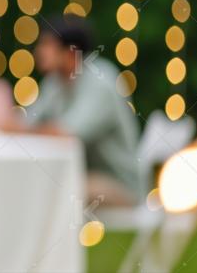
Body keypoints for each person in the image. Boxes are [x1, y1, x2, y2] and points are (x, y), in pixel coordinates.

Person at [25, 15, 145, 206]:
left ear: (71, 52)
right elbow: (27, 123)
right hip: (80, 175)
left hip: (120, 184)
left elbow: (65, 135)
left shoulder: (100, 82)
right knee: (42, 186)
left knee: (57, 190)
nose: (39, 52)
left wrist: (26, 131)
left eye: (47, 45)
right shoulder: (55, 82)